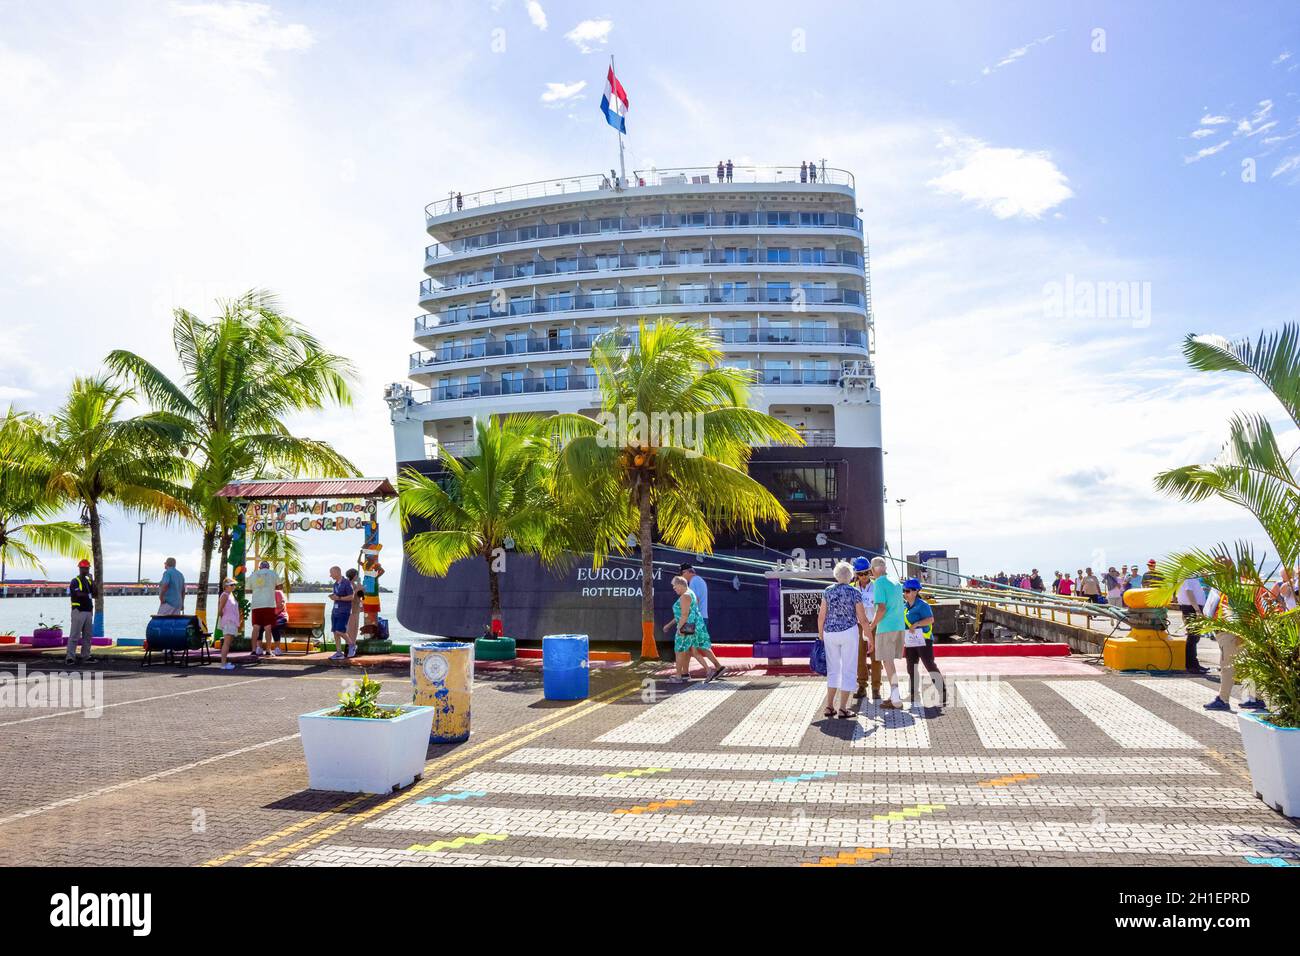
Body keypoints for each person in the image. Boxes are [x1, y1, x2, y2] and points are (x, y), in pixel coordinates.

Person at [1202, 565, 1264, 712]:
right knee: (1248, 666)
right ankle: (1255, 698)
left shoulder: (1240, 587)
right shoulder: (1236, 587)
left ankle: (1223, 699)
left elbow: (1242, 613)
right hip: (1231, 633)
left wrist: (1240, 635)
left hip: (1232, 634)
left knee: (1227, 667)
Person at [818, 561, 871, 719]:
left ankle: (829, 706)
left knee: (833, 669)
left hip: (830, 633)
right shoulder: (854, 592)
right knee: (848, 669)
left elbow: (821, 617)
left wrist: (821, 634)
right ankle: (842, 708)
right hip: (848, 632)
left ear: (836, 575)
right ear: (851, 575)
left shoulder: (827, 591)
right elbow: (862, 619)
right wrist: (870, 637)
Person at [868, 556, 908, 709]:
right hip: (899, 626)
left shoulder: (878, 583)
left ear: (873, 570)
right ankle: (894, 695)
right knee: (889, 662)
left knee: (888, 662)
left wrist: (871, 626)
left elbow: (882, 609)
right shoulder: (896, 581)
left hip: (886, 627)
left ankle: (896, 698)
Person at [902, 577, 945, 711]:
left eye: (908, 591)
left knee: (929, 665)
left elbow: (931, 619)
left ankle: (942, 692)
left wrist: (917, 624)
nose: (905, 593)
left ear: (915, 592)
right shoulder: (904, 606)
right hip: (910, 641)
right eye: (904, 591)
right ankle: (914, 693)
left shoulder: (923, 605)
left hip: (924, 640)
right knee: (911, 666)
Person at [680, 563, 725, 679]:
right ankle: (685, 673)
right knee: (692, 646)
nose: (682, 577)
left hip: (694, 619)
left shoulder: (694, 582)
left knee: (691, 646)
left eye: (682, 574)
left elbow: (695, 600)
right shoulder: (700, 581)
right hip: (701, 618)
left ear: (688, 572)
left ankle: (715, 668)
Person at [663, 575, 709, 683]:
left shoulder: (685, 596)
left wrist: (679, 628)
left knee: (679, 651)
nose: (674, 589)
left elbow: (684, 614)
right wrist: (669, 625)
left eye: (675, 586)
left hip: (685, 626)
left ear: (680, 584)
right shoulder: (690, 593)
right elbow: (681, 614)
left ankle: (678, 676)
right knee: (691, 650)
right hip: (689, 625)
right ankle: (705, 671)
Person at [851, 557, 882, 702]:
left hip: (874, 624)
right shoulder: (852, 588)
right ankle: (862, 686)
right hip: (858, 625)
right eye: (860, 574)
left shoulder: (877, 586)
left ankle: (876, 688)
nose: (863, 576)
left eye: (865, 573)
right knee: (859, 657)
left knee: (876, 657)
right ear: (856, 574)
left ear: (870, 571)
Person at [66, 558, 95, 665]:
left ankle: (86, 655)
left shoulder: (88, 582)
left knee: (87, 636)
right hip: (78, 611)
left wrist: (92, 581)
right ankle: (70, 657)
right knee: (74, 635)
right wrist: (88, 594)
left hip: (88, 611)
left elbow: (95, 593)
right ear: (80, 569)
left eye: (87, 568)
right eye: (84, 568)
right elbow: (78, 594)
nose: (86, 570)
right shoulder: (75, 581)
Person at [1176, 574, 1208, 673]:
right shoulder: (1186, 577)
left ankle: (1194, 663)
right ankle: (1191, 665)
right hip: (1191, 608)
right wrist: (1197, 610)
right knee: (1193, 636)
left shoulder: (1192, 577)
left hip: (1193, 608)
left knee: (1195, 636)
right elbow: (1188, 592)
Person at [247, 560, 278, 658]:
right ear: (268, 567)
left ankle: (253, 650)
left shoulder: (253, 575)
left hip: (256, 604)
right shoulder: (273, 573)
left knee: (255, 628)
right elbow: (280, 586)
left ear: (260, 567)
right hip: (269, 604)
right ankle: (268, 651)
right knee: (268, 628)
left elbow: (247, 589)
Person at [328, 565, 356, 660]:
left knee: (340, 631)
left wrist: (339, 598)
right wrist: (334, 597)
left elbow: (351, 597)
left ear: (337, 572)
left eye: (331, 573)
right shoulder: (335, 584)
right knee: (335, 632)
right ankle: (339, 652)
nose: (330, 575)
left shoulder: (347, 583)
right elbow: (337, 596)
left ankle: (352, 645)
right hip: (335, 611)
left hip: (344, 611)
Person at [216, 577, 241, 671]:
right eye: (231, 585)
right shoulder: (224, 595)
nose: (234, 586)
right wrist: (225, 619)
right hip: (228, 621)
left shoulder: (231, 595)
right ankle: (223, 664)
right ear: (226, 586)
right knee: (226, 643)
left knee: (228, 643)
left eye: (234, 585)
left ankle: (225, 662)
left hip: (232, 621)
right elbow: (220, 610)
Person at [345, 567, 363, 648]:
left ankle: (351, 646)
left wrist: (360, 586)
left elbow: (360, 595)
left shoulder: (354, 584)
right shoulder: (349, 585)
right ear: (354, 575)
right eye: (357, 575)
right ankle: (350, 647)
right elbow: (350, 596)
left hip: (355, 609)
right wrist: (358, 589)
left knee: (354, 628)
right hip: (351, 610)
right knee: (352, 629)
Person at [270, 585, 288, 654]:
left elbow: (281, 605)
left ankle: (277, 648)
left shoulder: (278, 592)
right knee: (260, 626)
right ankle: (259, 648)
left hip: (281, 616)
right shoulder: (267, 594)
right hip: (272, 616)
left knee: (275, 625)